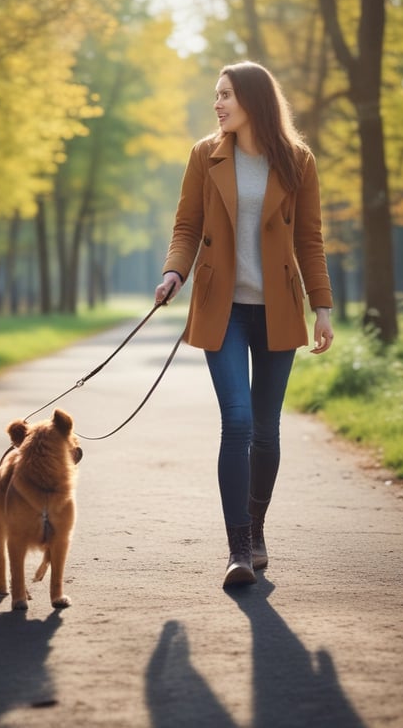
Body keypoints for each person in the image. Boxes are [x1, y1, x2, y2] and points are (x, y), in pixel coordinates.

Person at [154, 61, 334, 588]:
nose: (218, 104)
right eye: (216, 95)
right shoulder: (204, 155)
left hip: (278, 308)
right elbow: (187, 225)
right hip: (222, 307)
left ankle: (256, 533)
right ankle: (236, 549)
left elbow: (310, 239)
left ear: (253, 99)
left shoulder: (297, 161)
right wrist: (172, 273)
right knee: (237, 422)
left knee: (266, 430)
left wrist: (321, 307)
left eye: (226, 94)